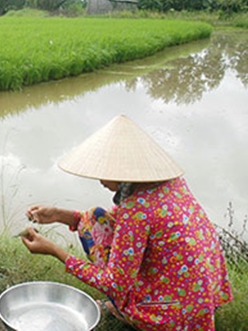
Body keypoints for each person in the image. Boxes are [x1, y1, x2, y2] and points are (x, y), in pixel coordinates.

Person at [21, 115, 233, 331]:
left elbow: (114, 283)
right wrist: (58, 214)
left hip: (172, 315)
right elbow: (114, 220)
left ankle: (128, 311)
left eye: (104, 173)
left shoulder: (137, 210)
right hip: (202, 299)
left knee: (115, 279)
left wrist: (55, 251)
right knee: (94, 217)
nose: (101, 181)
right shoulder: (170, 184)